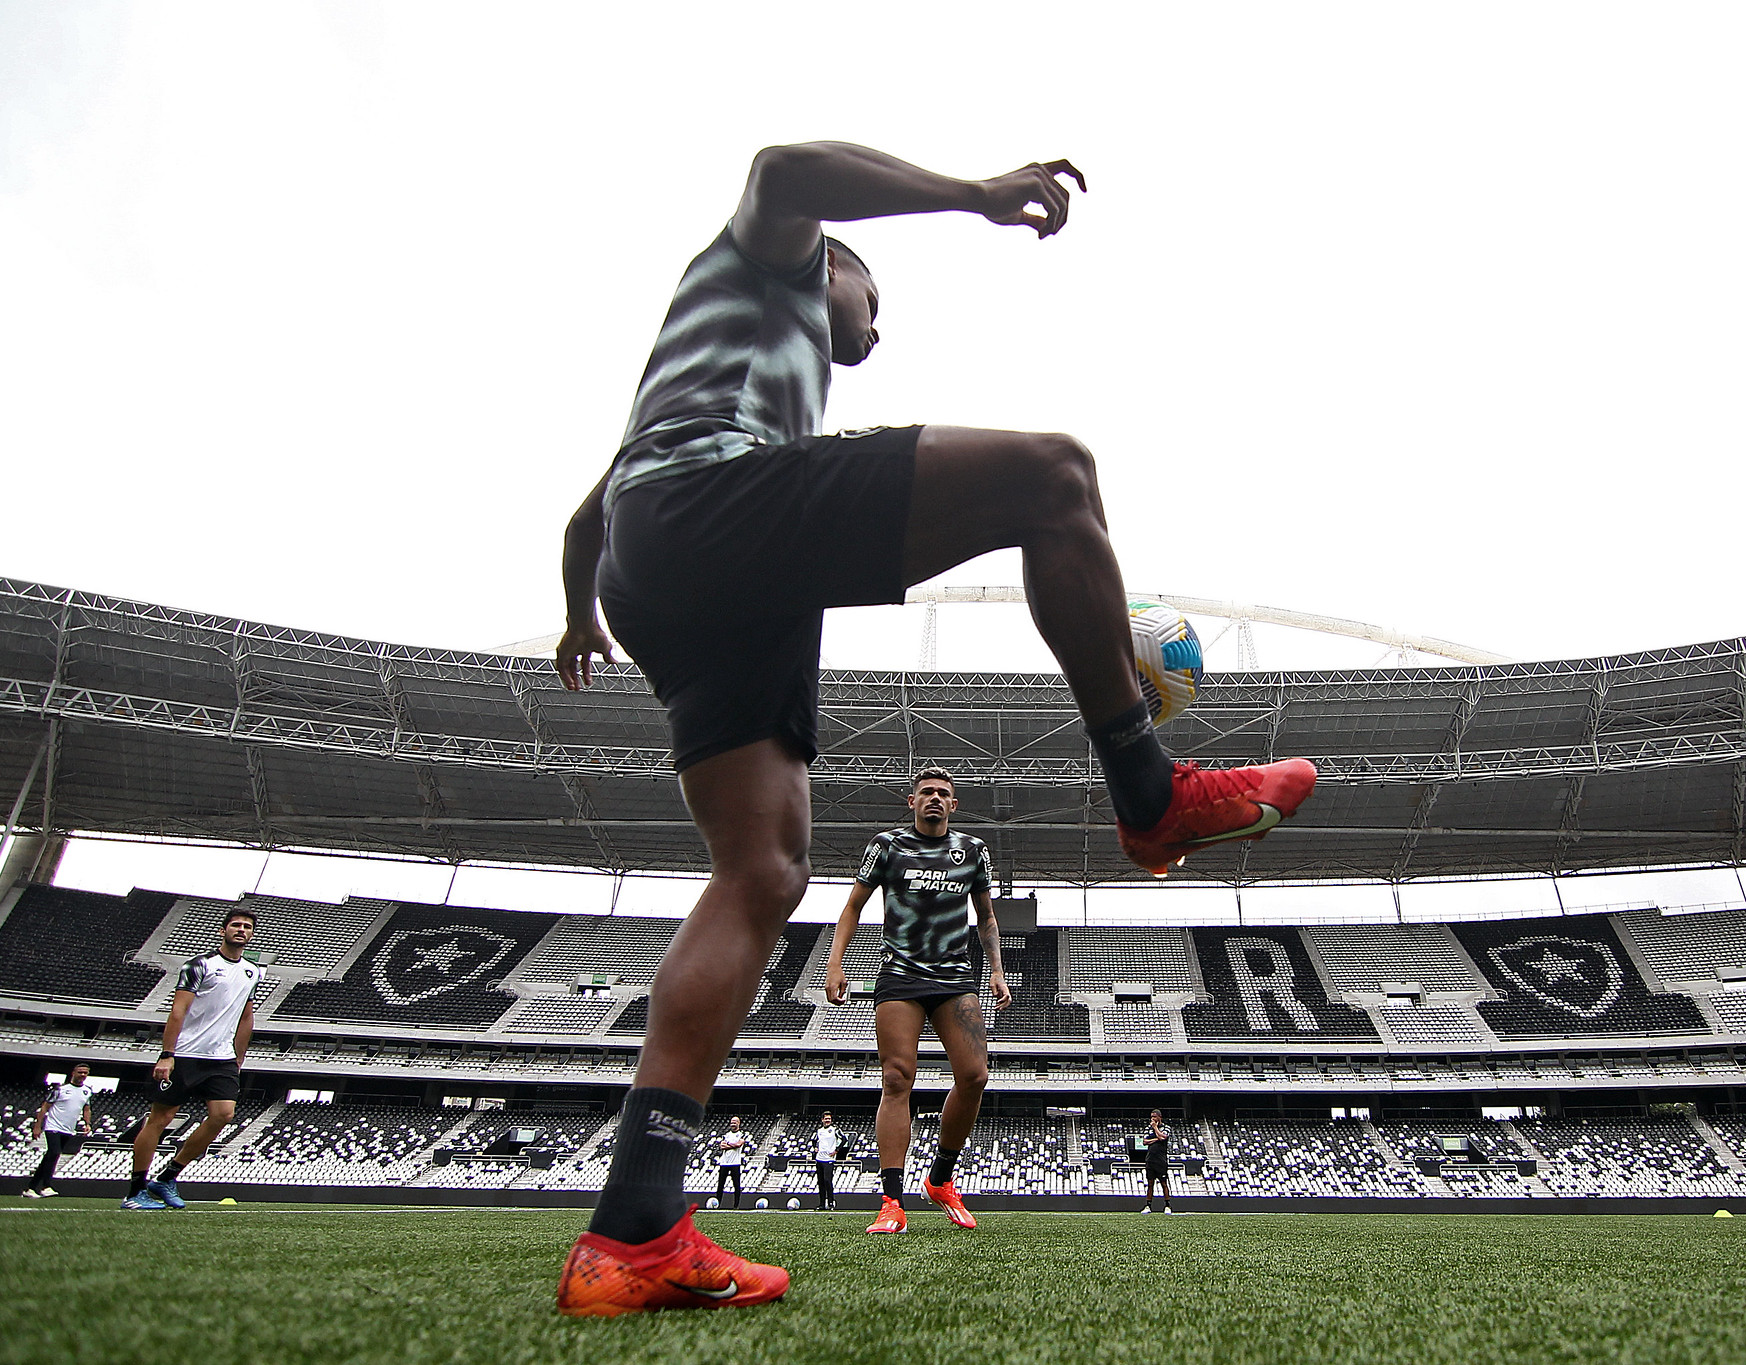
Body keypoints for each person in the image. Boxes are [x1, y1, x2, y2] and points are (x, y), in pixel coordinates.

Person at [551, 140, 1318, 1316]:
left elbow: (588, 518)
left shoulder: (721, 371)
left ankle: (632, 1234)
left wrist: (578, 615)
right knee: (1055, 477)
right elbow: (782, 169)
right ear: (831, 268)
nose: (875, 322)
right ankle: (1147, 790)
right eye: (872, 296)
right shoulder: (774, 258)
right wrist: (971, 196)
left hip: (664, 558)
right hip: (713, 504)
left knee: (759, 872)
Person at [824, 766, 1004, 1234]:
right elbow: (852, 906)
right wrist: (834, 962)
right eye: (926, 792)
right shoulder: (887, 846)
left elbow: (986, 916)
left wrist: (997, 968)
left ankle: (940, 1180)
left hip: (954, 977)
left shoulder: (973, 851)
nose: (934, 798)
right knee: (896, 1077)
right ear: (912, 801)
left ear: (954, 804)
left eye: (943, 793)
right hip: (900, 975)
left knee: (975, 1076)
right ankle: (891, 1202)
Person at [122, 909, 263, 1211]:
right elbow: (178, 1011)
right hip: (185, 1054)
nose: (241, 930)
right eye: (236, 925)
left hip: (222, 1058)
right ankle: (135, 1191)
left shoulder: (252, 971)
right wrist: (167, 1055)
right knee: (160, 1119)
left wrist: (238, 1058)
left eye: (247, 926)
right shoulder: (199, 965)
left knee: (223, 1115)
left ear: (252, 934)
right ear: (223, 930)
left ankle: (167, 1177)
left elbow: (246, 1016)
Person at [22, 1064, 93, 1198]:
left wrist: (87, 1123)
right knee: (54, 1153)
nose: (83, 1075)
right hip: (53, 1126)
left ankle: (30, 1188)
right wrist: (37, 1126)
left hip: (68, 1128)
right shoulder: (61, 1090)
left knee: (49, 1157)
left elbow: (86, 1108)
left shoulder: (87, 1091)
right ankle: (46, 1186)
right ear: (73, 1073)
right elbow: (45, 1107)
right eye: (80, 1072)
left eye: (85, 1073)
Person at [713, 1116, 751, 1209]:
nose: (733, 1124)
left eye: (735, 1122)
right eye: (732, 1122)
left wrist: (728, 1144)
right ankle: (717, 1205)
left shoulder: (741, 1134)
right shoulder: (726, 1135)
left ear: (738, 1123)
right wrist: (732, 1145)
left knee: (736, 1185)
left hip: (735, 1163)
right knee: (720, 1185)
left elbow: (738, 1144)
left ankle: (736, 1206)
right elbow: (722, 1146)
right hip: (724, 1163)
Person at [1141, 1109, 1173, 1214]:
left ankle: (1167, 1205)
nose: (1152, 1119)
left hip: (1161, 1160)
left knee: (1164, 1183)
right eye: (1151, 1117)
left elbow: (1163, 1137)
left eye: (1154, 1116)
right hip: (1150, 1159)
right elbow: (1145, 1141)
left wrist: (1155, 1128)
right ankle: (1148, 1205)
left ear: (1159, 1117)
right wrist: (1156, 1138)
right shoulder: (1148, 1128)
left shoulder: (1166, 1127)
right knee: (1150, 1183)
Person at [813, 1110, 840, 1212]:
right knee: (820, 1182)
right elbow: (815, 1141)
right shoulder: (819, 1131)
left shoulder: (835, 1130)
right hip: (819, 1159)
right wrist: (815, 1147)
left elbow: (844, 1139)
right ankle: (821, 1204)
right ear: (822, 1120)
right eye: (826, 1119)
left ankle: (831, 1203)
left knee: (827, 1180)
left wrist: (836, 1150)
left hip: (829, 1159)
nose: (828, 1120)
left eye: (829, 1119)